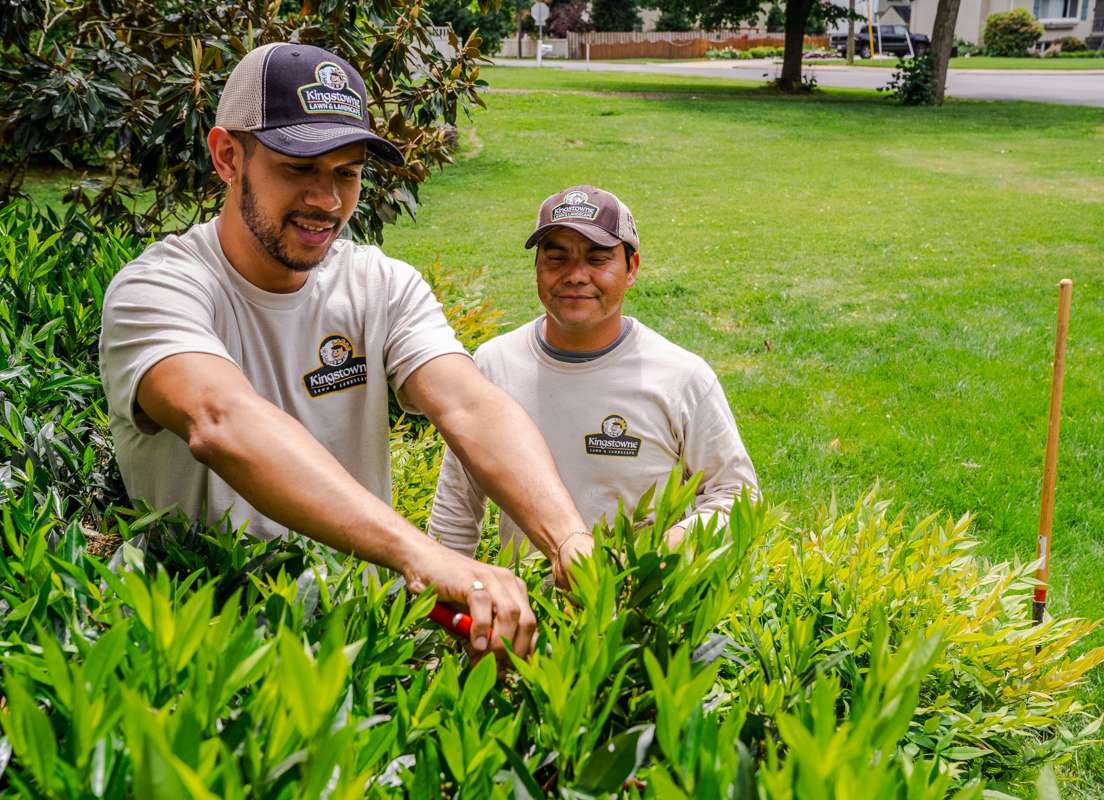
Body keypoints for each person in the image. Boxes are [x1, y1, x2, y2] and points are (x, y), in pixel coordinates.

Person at [98, 43, 593, 660]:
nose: (327, 201)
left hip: (358, 650)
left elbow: (470, 407)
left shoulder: (380, 285)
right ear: (228, 157)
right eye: (298, 167)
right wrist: (421, 552)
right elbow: (220, 420)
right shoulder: (158, 290)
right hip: (203, 659)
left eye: (346, 172)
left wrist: (569, 542)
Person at [427, 185, 758, 558]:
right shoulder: (494, 364)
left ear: (631, 269)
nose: (575, 275)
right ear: (537, 267)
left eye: (597, 259)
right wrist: (441, 597)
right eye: (557, 258)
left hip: (640, 608)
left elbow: (736, 495)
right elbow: (458, 501)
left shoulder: (682, 377)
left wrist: (663, 553)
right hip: (528, 606)